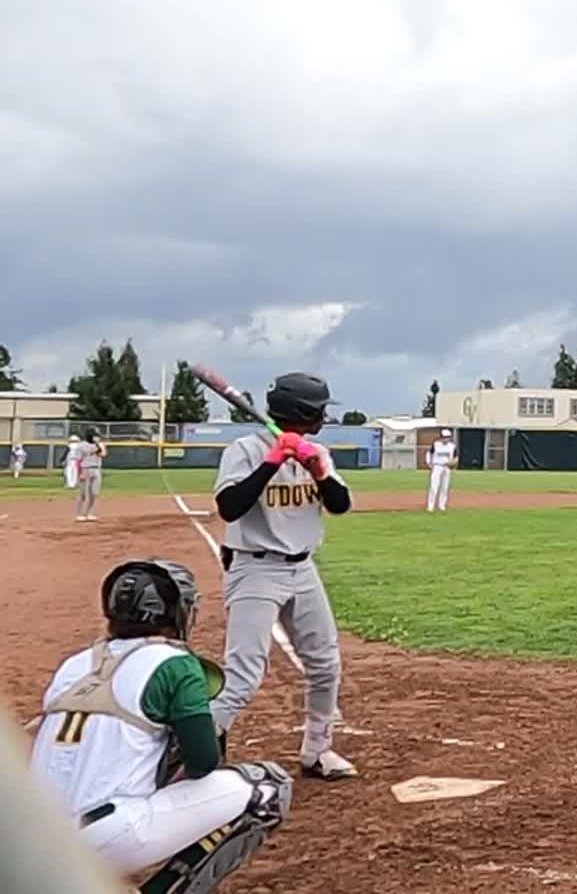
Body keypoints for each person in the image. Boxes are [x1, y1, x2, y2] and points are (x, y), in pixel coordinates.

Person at [28, 559, 293, 893]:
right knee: (267, 789)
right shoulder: (175, 663)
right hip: (106, 836)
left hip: (32, 842)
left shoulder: (73, 666)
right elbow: (204, 762)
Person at [209, 372, 357, 781]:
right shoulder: (244, 450)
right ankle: (195, 757)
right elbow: (230, 507)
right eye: (320, 411)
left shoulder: (317, 452)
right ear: (303, 413)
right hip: (256, 569)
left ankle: (317, 751)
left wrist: (317, 471)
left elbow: (341, 505)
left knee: (325, 664)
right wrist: (272, 461)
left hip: (303, 568)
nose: (325, 417)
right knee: (242, 675)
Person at [73, 430, 106, 523]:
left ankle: (90, 513)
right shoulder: (81, 445)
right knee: (82, 494)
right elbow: (78, 460)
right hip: (85, 469)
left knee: (94, 493)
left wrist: (98, 445)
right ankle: (79, 514)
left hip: (96, 469)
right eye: (95, 436)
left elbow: (103, 454)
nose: (97, 437)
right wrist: (80, 473)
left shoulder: (99, 445)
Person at [425, 429, 456, 512]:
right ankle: (430, 506)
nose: (446, 439)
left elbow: (455, 457)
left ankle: (441, 505)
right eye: (444, 437)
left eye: (448, 437)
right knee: (434, 487)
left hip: (447, 467)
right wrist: (428, 462)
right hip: (437, 466)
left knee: (444, 487)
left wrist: (453, 462)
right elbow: (429, 453)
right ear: (441, 437)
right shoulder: (435, 444)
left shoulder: (452, 446)